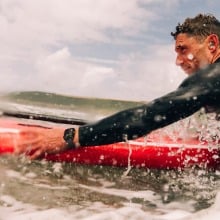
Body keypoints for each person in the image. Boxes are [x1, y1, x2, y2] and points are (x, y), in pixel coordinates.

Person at [15, 13, 220, 159]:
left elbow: (149, 116)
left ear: (212, 44)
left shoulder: (213, 77)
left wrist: (71, 137)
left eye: (183, 50)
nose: (178, 61)